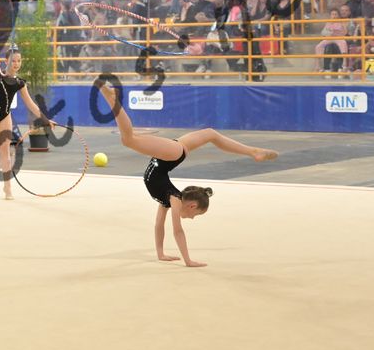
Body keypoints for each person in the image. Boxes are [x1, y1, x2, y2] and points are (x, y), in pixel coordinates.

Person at [97, 83, 277, 267]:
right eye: (195, 215)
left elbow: (159, 225)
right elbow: (178, 231)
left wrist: (160, 253)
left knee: (211, 134)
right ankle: (112, 99)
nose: (192, 218)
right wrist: (188, 261)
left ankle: (253, 151)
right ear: (192, 205)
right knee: (128, 139)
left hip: (172, 154)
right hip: (170, 154)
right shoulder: (174, 199)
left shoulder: (167, 200)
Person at [0, 50, 56, 200]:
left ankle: (7, 187)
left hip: (5, 116)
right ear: (6, 61)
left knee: (6, 152)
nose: (16, 64)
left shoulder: (20, 83)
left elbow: (31, 104)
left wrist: (45, 119)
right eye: (13, 61)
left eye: (19, 61)